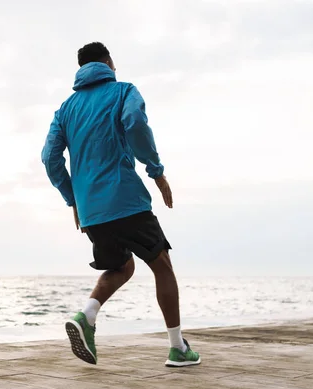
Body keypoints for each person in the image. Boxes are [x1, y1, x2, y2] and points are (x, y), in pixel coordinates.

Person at [41, 42, 201, 368]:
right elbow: (135, 123)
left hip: (92, 213)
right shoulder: (124, 90)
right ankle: (178, 348)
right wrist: (157, 173)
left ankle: (86, 315)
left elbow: (49, 158)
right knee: (162, 265)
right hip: (126, 200)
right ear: (110, 63)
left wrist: (73, 198)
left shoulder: (65, 109)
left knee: (121, 267)